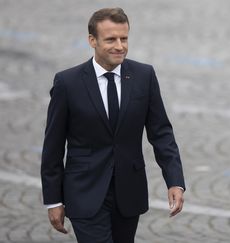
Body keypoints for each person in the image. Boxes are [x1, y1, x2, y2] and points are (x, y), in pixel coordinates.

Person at [40, 7, 185, 243]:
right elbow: (53, 146)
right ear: (92, 41)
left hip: (129, 193)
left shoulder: (144, 76)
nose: (120, 46)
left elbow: (161, 133)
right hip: (84, 193)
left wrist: (175, 180)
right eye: (111, 39)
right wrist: (54, 200)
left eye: (124, 38)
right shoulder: (68, 83)